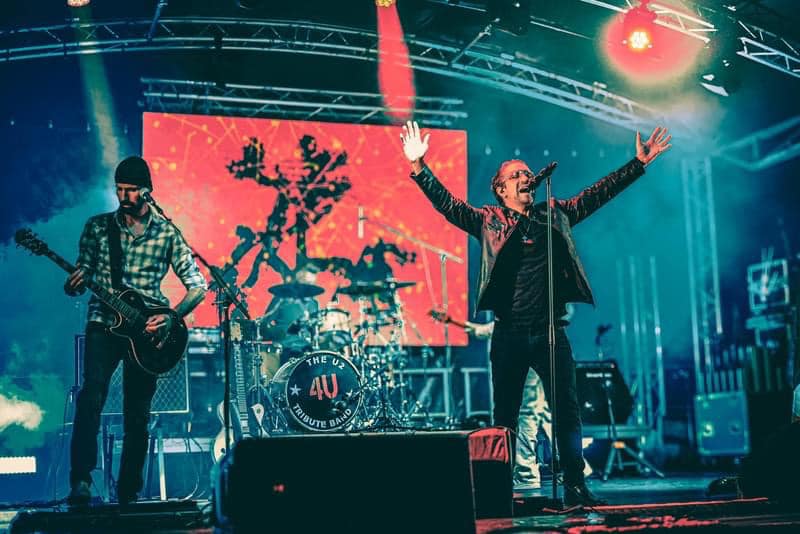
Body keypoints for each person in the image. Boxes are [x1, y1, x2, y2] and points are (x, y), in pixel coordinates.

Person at [401, 121, 671, 505]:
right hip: (509, 332)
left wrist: (637, 164)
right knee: (506, 416)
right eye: (516, 175)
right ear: (500, 189)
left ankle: (575, 486)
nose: (525, 178)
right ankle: (498, 490)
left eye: (527, 173)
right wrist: (419, 168)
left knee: (567, 411)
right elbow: (449, 205)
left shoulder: (554, 213)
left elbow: (597, 194)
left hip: (550, 331)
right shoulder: (488, 220)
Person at [64, 156, 208, 506]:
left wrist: (172, 317)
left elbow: (198, 285)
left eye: (130, 190)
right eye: (119, 189)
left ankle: (128, 491)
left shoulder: (167, 233)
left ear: (147, 191)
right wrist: (74, 284)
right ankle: (81, 480)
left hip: (148, 331)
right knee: (91, 396)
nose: (123, 196)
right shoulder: (98, 228)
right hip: (104, 321)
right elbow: (82, 276)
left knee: (138, 412)